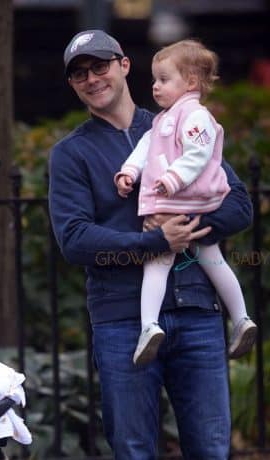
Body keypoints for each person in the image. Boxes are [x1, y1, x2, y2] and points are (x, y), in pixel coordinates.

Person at [48, 30, 252, 459]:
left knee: (212, 449)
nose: (92, 78)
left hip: (198, 311)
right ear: (72, 85)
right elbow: (74, 239)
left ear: (124, 66)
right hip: (123, 322)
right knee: (134, 449)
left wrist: (189, 228)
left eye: (100, 66)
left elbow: (238, 204)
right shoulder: (71, 154)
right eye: (80, 73)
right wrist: (154, 241)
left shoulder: (178, 121)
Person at [114, 39, 257, 365]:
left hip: (186, 200)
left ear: (191, 82)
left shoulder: (195, 115)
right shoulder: (164, 119)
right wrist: (129, 172)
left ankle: (149, 325)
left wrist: (171, 180)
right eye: (154, 79)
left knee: (157, 261)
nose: (155, 86)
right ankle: (241, 319)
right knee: (211, 260)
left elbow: (198, 154)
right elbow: (145, 149)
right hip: (185, 202)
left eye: (164, 79)